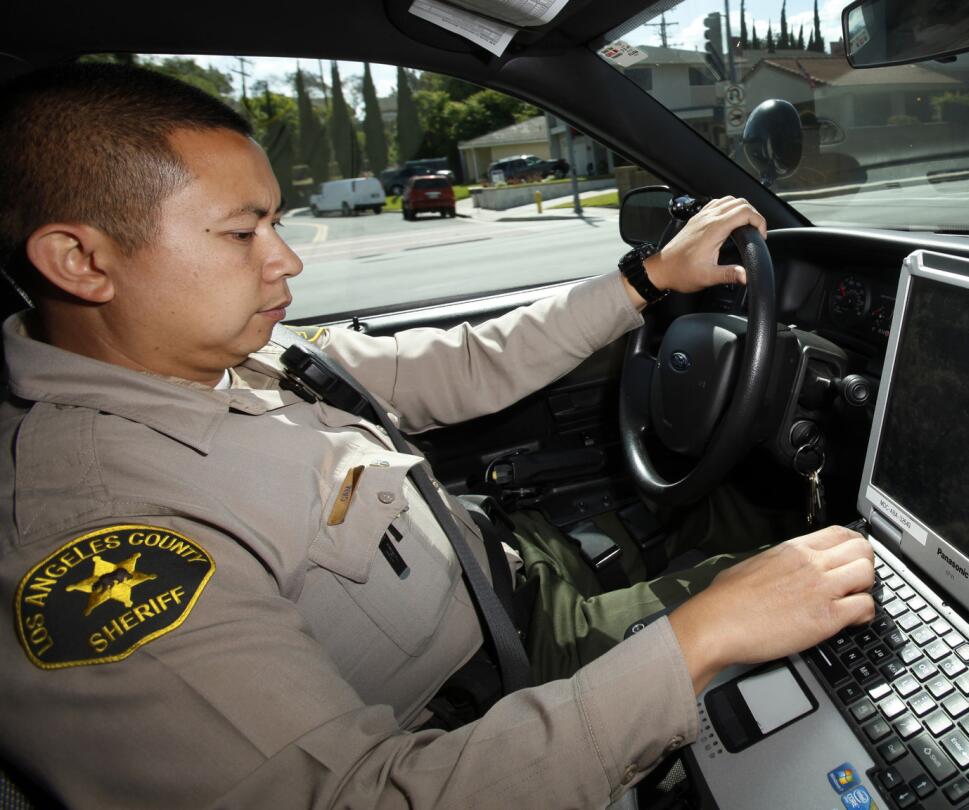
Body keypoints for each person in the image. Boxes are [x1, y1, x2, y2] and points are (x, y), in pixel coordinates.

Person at [0, 63, 875, 808]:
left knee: (758, 527)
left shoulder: (238, 354)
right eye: (241, 233)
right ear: (80, 261)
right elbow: (368, 796)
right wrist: (702, 639)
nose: (287, 261)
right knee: (842, 591)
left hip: (507, 575)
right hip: (499, 690)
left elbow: (469, 359)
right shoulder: (101, 533)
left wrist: (648, 278)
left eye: (274, 221)